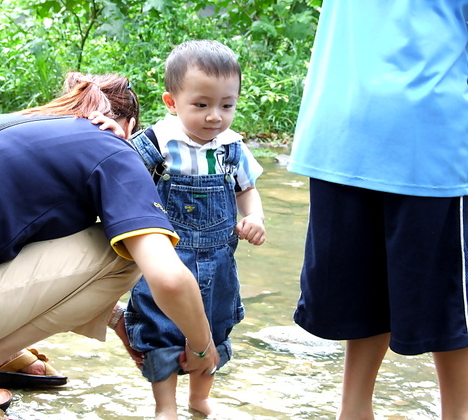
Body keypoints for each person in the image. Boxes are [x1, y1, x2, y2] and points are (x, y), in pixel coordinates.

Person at [0, 72, 219, 420]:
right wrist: (203, 346)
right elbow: (169, 278)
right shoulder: (112, 146)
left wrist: (114, 317)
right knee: (126, 252)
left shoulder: (8, 124)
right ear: (128, 125)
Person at [287, 2, 468, 420]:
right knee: (448, 306)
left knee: (364, 296)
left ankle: (353, 410)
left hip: (340, 129)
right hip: (431, 138)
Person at [123, 40, 266, 420]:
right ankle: (165, 407)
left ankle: (199, 400)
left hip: (219, 261)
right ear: (172, 102)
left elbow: (247, 190)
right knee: (160, 331)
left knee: (216, 328)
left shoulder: (231, 149)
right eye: (201, 105)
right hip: (165, 258)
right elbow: (123, 183)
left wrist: (255, 218)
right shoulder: (157, 144)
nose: (214, 117)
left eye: (226, 105)